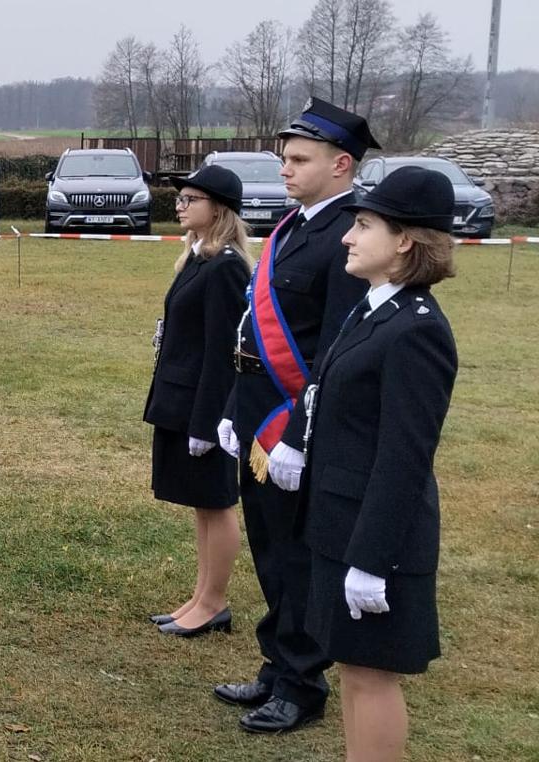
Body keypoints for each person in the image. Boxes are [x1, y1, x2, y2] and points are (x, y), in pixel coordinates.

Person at [213, 97, 379, 734]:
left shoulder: (348, 234)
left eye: (299, 158)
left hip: (298, 416)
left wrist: (301, 436)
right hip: (259, 405)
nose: (285, 168)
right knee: (268, 543)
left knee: (299, 552)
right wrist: (234, 405)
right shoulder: (294, 225)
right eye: (285, 157)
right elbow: (255, 325)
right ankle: (275, 663)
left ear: (341, 165)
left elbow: (335, 348)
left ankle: (302, 681)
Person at [301, 166, 457, 762]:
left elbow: (404, 456)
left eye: (364, 225)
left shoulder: (415, 332)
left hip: (377, 536)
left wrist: (372, 559)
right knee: (354, 668)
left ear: (405, 242)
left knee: (371, 676)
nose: (347, 236)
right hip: (343, 521)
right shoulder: (373, 310)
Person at [141, 165, 253, 638]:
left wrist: (208, 423)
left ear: (218, 209)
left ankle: (214, 602)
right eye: (181, 198)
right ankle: (200, 596)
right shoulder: (198, 257)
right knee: (201, 505)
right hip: (181, 397)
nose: (180, 205)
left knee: (217, 501)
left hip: (202, 406)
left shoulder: (226, 266)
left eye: (190, 199)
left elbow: (223, 352)